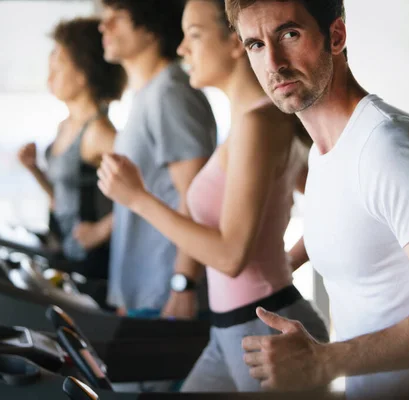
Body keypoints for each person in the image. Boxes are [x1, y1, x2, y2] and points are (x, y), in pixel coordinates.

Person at [222, 0, 409, 398]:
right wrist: (279, 265)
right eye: (255, 45)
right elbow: (358, 225)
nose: (273, 62)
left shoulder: (389, 147)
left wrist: (325, 361)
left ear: (336, 36)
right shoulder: (325, 150)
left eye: (288, 34)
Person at [96, 0, 328, 392]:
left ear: (236, 42)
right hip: (231, 330)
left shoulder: (259, 121)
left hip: (261, 331)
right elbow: (327, 209)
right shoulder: (248, 121)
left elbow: (229, 256)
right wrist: (282, 264)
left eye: (195, 36)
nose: (183, 49)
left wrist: (138, 199)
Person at [97, 0, 217, 318]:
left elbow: (194, 196)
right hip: (145, 291)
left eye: (117, 18)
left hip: (166, 292)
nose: (103, 26)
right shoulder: (147, 95)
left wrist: (182, 284)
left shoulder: (170, 93)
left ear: (149, 29)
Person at [18, 18, 126, 280]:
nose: (50, 76)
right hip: (65, 252)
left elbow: (151, 187)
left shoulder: (100, 133)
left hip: (93, 264)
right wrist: (34, 170)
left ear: (84, 73)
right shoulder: (65, 125)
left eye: (59, 66)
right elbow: (64, 196)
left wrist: (101, 230)